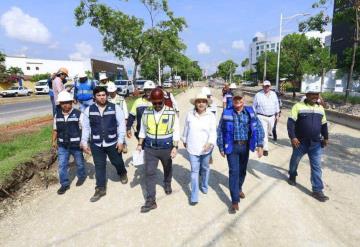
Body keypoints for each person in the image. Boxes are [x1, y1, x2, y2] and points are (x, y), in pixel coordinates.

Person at [217, 91, 265, 214]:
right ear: (232, 100)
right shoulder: (227, 112)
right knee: (234, 171)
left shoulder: (250, 112)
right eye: (235, 99)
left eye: (240, 99)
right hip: (231, 147)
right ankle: (234, 201)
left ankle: (238, 188)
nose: (238, 102)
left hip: (245, 147)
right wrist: (221, 147)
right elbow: (220, 130)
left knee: (242, 171)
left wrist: (260, 145)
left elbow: (258, 127)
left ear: (243, 100)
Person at [81, 86, 128, 202]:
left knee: (117, 161)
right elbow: (86, 128)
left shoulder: (115, 108)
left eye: (103, 95)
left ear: (106, 95)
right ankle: (100, 188)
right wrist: (84, 142)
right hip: (96, 144)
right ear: (94, 97)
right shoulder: (89, 110)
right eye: (99, 95)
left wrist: (121, 140)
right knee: (99, 166)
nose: (102, 97)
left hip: (112, 142)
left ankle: (122, 172)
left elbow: (121, 124)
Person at [136, 88, 180, 213]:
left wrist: (175, 147)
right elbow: (143, 130)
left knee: (167, 168)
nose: (157, 105)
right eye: (154, 103)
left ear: (163, 101)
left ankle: (167, 183)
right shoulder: (147, 112)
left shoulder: (171, 113)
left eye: (159, 103)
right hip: (150, 148)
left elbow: (176, 130)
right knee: (149, 173)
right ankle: (151, 201)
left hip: (166, 147)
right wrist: (140, 144)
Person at [287, 88, 329, 202]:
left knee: (316, 167)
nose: (315, 96)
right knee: (294, 161)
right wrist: (293, 137)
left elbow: (324, 125)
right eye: (312, 94)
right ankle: (292, 174)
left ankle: (317, 190)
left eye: (317, 94)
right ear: (307, 95)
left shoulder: (320, 108)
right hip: (300, 142)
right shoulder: (298, 106)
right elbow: (290, 123)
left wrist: (326, 137)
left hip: (316, 143)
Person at [182, 93, 216, 205]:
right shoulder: (189, 114)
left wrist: (210, 143)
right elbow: (186, 128)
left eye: (203, 101)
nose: (201, 103)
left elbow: (213, 132)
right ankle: (194, 196)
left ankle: (204, 185)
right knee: (194, 171)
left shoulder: (211, 116)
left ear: (206, 104)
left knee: (205, 168)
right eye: (198, 101)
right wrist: (185, 140)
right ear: (195, 103)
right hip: (193, 147)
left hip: (206, 149)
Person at [52, 91, 86, 195]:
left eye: (67, 102)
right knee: (62, 165)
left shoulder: (79, 114)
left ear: (71, 102)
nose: (65, 105)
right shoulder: (57, 115)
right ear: (60, 104)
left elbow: (84, 129)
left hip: (76, 145)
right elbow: (55, 130)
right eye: (63, 103)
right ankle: (64, 184)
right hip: (63, 145)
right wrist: (53, 142)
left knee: (79, 163)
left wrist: (84, 142)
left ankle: (81, 176)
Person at [252, 80, 280, 156]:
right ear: (262, 86)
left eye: (268, 86)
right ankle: (265, 149)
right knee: (264, 132)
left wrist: (277, 114)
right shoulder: (258, 95)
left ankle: (263, 142)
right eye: (265, 86)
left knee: (269, 131)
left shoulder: (274, 94)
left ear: (270, 86)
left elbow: (276, 104)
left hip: (272, 117)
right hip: (261, 116)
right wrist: (254, 116)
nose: (266, 87)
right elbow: (254, 106)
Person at [107, 82, 129, 153]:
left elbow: (125, 109)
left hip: (120, 119)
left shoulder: (121, 98)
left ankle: (124, 144)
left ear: (115, 91)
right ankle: (115, 144)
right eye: (110, 92)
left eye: (113, 92)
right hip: (110, 119)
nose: (111, 93)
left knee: (121, 132)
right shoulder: (107, 99)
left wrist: (126, 118)